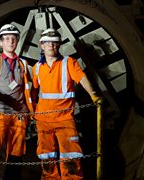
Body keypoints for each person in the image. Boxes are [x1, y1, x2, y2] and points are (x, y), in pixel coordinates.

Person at [31, 28, 103, 180]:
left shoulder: (69, 63)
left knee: (71, 157)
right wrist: (31, 111)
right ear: (42, 45)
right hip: (43, 120)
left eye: (55, 42)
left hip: (64, 118)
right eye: (48, 42)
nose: (51, 45)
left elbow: (82, 79)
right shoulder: (36, 68)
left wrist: (93, 95)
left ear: (59, 45)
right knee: (46, 157)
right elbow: (33, 91)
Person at [0, 24, 33, 180]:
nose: (11, 42)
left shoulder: (23, 64)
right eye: (7, 39)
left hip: (19, 116)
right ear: (0, 43)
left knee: (16, 154)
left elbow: (29, 86)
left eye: (14, 39)